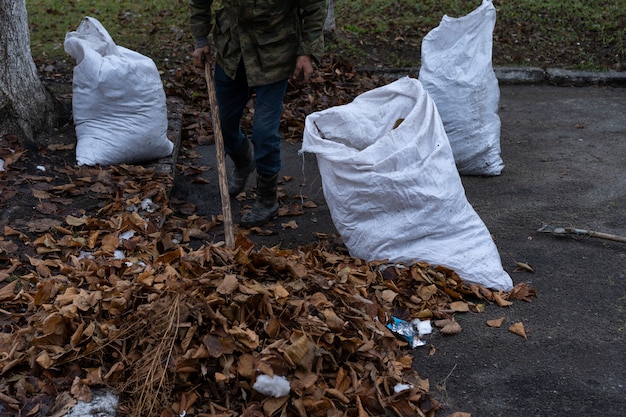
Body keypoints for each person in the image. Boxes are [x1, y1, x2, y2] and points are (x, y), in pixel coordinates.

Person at [190, 0, 327, 227]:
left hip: (273, 54)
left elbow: (314, 6)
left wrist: (307, 52)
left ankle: (267, 199)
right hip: (231, 52)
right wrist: (201, 38)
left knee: (264, 133)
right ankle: (244, 161)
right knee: (222, 125)